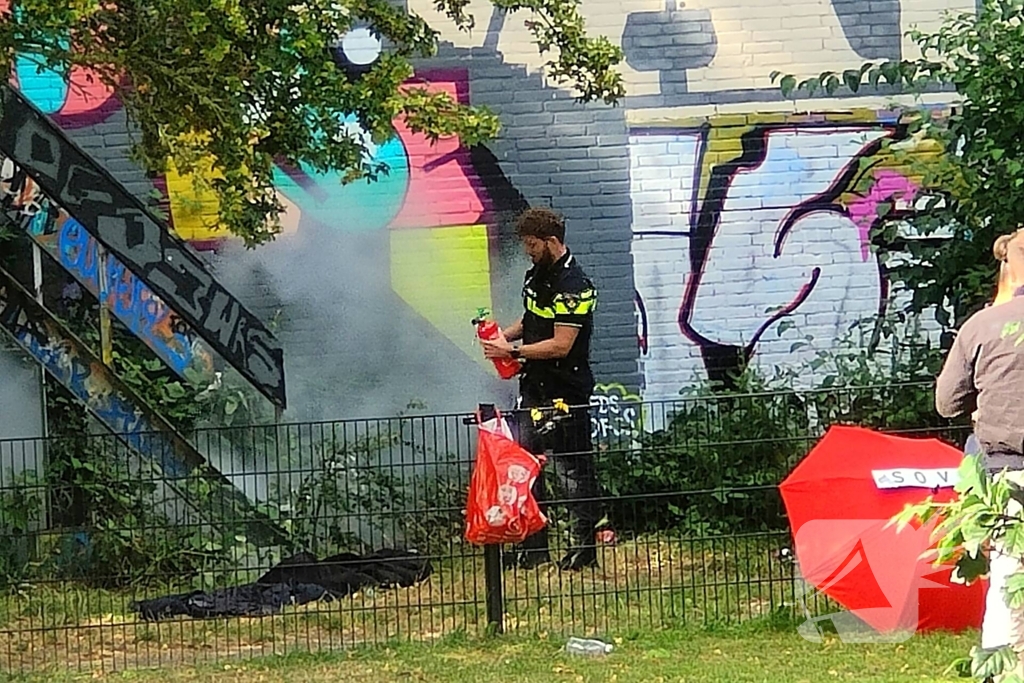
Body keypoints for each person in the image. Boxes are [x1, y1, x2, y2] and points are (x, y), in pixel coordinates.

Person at [480, 207, 603, 571]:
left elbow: (561, 344)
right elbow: (533, 319)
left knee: (572, 471)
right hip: (533, 386)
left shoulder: (576, 286)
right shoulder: (538, 275)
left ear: (551, 241)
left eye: (532, 245)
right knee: (523, 466)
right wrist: (503, 335)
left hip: (567, 391)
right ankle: (532, 550)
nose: (528, 252)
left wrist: (512, 351)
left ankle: (583, 551)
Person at [936, 228, 1024, 679]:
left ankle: (1000, 670)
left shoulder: (983, 327)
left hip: (1007, 475)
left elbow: (946, 403)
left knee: (1009, 578)